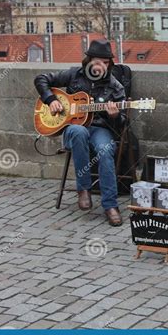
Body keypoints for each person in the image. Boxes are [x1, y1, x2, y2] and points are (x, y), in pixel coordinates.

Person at [34, 39, 126, 226]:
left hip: (100, 129)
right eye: (98, 61)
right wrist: (51, 99)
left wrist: (115, 116)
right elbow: (41, 79)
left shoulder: (114, 86)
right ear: (89, 60)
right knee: (78, 132)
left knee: (106, 150)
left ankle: (110, 205)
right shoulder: (74, 75)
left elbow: (122, 122)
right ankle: (83, 189)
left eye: (106, 62)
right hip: (73, 129)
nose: (101, 66)